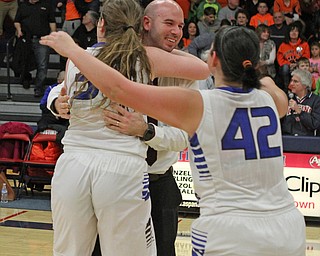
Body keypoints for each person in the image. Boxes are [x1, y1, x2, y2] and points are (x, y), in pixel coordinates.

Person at [41, 25, 306, 255]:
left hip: (230, 229)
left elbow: (118, 88)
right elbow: (264, 83)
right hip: (287, 226)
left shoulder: (198, 103)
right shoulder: (272, 99)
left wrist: (74, 50)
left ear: (212, 59)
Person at [44, 0, 209, 255]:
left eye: (180, 25)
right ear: (142, 23)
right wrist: (57, 101)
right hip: (121, 166)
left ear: (101, 24)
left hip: (77, 162)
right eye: (169, 23)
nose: (177, 31)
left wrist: (146, 131)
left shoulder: (79, 59)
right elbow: (202, 68)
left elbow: (68, 85)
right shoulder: (144, 58)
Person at [14, 0, 57, 97]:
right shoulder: (23, 5)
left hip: (42, 39)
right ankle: (25, 79)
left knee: (42, 65)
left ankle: (39, 87)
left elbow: (52, 21)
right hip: (26, 38)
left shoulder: (46, 5)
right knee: (23, 61)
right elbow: (17, 21)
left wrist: (53, 35)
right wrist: (19, 29)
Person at [281, 69, 320, 136]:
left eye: (295, 81)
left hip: (307, 140)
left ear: (305, 85)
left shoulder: (316, 100)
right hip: (287, 138)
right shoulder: (286, 98)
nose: (291, 84)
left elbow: (315, 124)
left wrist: (300, 111)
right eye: (291, 81)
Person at [277, 21, 310, 93]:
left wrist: (297, 64)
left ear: (299, 33)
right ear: (288, 33)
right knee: (285, 67)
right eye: (292, 31)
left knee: (302, 66)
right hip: (287, 68)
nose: (294, 33)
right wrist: (289, 64)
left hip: (299, 66)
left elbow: (306, 57)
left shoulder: (304, 44)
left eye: (296, 31)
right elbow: (280, 58)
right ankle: (287, 88)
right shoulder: (283, 45)